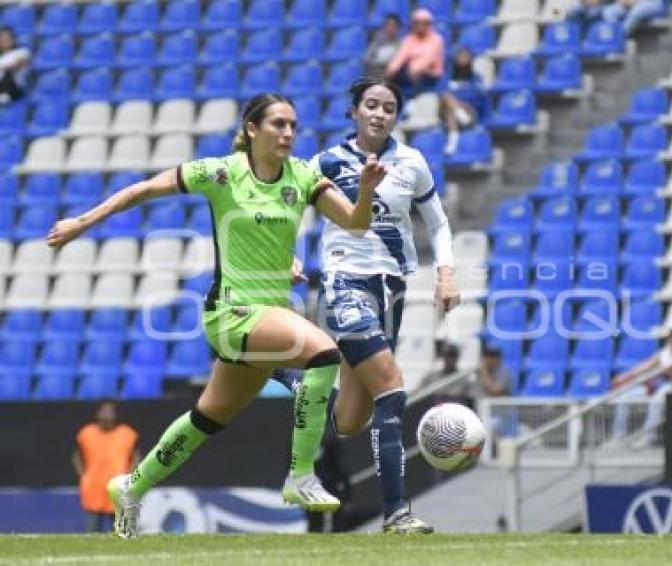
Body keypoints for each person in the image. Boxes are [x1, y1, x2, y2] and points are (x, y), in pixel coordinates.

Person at [47, 93, 387, 538]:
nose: (287, 133)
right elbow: (144, 189)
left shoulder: (303, 177)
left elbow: (357, 224)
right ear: (251, 129)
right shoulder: (221, 173)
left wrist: (364, 191)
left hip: (269, 319)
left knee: (207, 419)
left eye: (292, 126)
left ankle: (131, 485)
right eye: (278, 124)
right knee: (324, 354)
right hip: (232, 315)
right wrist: (82, 223)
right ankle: (300, 474)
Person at [284, 77, 459, 534]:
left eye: (388, 108)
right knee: (392, 387)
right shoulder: (325, 162)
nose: (380, 114)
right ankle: (397, 512)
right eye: (371, 105)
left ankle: (300, 383)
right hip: (345, 284)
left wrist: (445, 273)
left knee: (350, 420)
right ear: (354, 111)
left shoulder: (412, 163)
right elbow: (287, 209)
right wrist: (290, 255)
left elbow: (437, 223)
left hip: (393, 290)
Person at [610, 327, 672, 448]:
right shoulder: (663, 353)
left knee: (656, 399)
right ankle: (618, 437)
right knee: (624, 397)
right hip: (659, 385)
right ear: (669, 337)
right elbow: (643, 367)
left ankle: (648, 437)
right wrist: (624, 377)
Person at [72, 401, 139, 533]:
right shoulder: (86, 434)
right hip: (94, 490)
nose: (107, 415)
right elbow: (76, 455)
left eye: (110, 412)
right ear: (97, 414)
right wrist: (82, 474)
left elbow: (136, 456)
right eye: (104, 411)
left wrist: (130, 476)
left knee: (123, 534)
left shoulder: (127, 434)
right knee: (92, 532)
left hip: (118, 491)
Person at [440, 47, 490, 155]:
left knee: (452, 109)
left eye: (466, 57)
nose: (463, 59)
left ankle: (453, 139)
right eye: (460, 56)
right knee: (447, 98)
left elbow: (479, 98)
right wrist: (457, 105)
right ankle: (458, 114)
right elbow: (441, 93)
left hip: (469, 111)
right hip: (451, 112)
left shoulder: (476, 78)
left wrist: (463, 104)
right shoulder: (448, 77)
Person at [386, 8, 445, 98]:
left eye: (424, 23)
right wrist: (391, 70)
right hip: (410, 75)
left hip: (429, 76)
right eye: (417, 23)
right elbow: (400, 56)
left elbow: (427, 60)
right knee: (390, 79)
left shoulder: (436, 40)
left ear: (428, 25)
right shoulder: (409, 39)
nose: (420, 26)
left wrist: (414, 71)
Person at [364, 14, 403, 78]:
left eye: (393, 25)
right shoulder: (377, 42)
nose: (390, 28)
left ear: (398, 28)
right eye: (388, 25)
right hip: (374, 74)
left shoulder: (401, 45)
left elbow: (397, 65)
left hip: (391, 78)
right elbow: (366, 58)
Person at [601, 0, 667, 35]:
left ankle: (621, 36)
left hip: (653, 4)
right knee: (609, 11)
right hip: (631, 4)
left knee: (637, 11)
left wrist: (633, 2)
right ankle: (612, 35)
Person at [0, 27, 29, 104]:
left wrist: (3, 66)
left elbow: (18, 64)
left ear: (13, 39)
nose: (4, 40)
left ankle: (5, 94)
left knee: (6, 71)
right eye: (1, 38)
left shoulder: (22, 52)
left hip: (14, 88)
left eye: (7, 37)